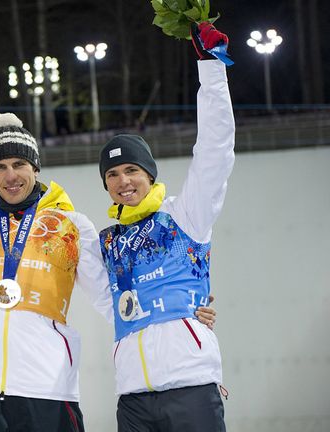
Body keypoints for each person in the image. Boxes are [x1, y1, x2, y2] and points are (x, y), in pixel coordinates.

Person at [0, 25, 218, 432]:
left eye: (19, 164)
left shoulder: (70, 226)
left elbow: (115, 292)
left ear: (35, 167)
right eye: (0, 167)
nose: (10, 176)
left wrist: (185, 311)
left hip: (49, 387)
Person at [96, 22, 234, 431]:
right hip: (134, 397)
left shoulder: (184, 215)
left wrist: (211, 69)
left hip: (191, 386)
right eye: (113, 174)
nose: (124, 181)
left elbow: (215, 151)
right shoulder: (108, 242)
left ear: (150, 175)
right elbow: (108, 304)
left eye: (132, 170)